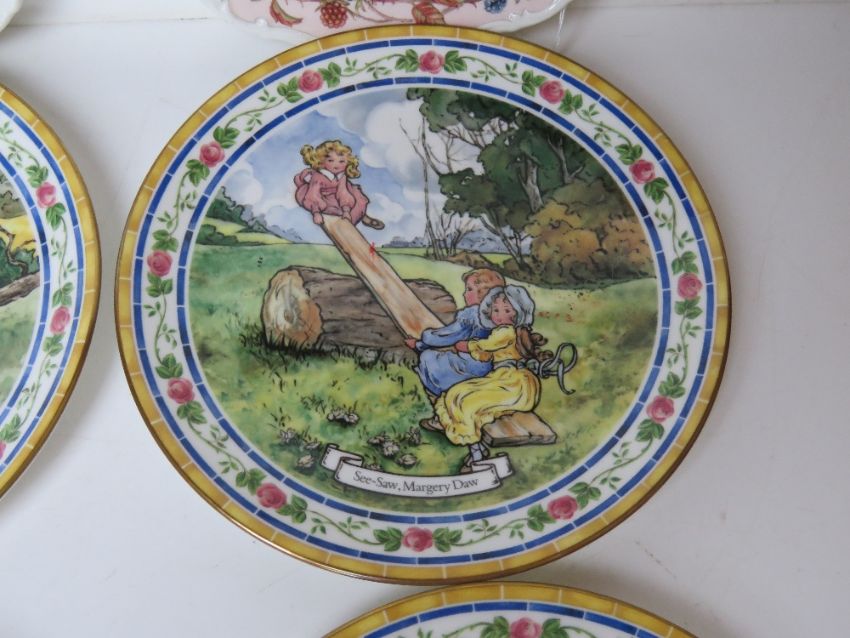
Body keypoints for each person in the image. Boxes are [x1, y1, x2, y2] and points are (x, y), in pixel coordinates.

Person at [434, 285, 543, 473]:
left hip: (513, 384)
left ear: (518, 313)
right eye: (496, 310)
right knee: (457, 393)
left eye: (506, 311)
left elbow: (487, 345)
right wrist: (473, 350)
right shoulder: (503, 332)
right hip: (504, 379)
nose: (499, 315)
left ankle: (476, 454)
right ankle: (471, 443)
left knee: (467, 401)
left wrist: (468, 346)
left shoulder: (506, 331)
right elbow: (487, 354)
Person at [404, 268, 505, 431]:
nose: (465, 294)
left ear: (484, 295)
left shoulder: (473, 314)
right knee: (445, 356)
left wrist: (422, 340)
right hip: (485, 369)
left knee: (428, 357)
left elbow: (446, 336)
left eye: (469, 289)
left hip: (468, 370)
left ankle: (442, 411)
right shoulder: (497, 316)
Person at [293, 140, 384, 230]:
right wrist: (316, 213)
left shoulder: (342, 176)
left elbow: (343, 193)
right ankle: (345, 226)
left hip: (340, 193)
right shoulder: (318, 177)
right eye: (330, 160)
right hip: (321, 197)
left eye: (342, 161)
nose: (336, 165)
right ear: (321, 162)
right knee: (335, 209)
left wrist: (346, 210)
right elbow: (313, 195)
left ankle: (360, 218)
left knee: (358, 199)